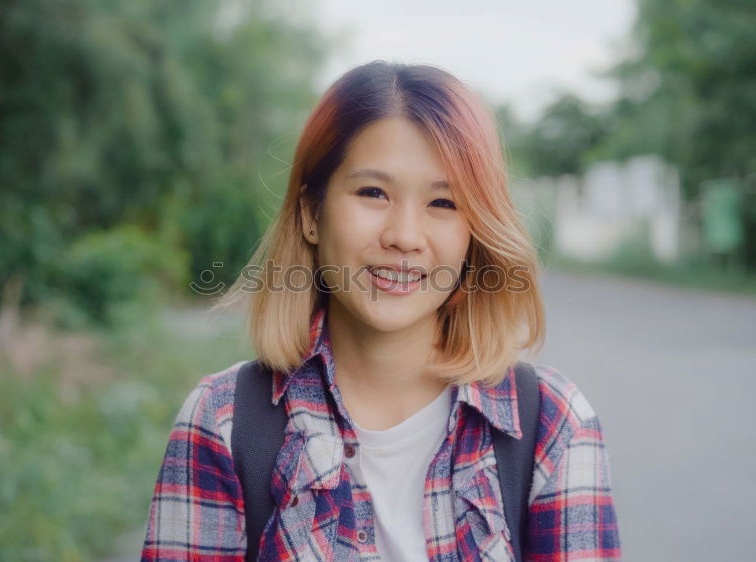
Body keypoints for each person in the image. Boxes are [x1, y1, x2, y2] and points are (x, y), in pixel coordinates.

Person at [140, 60, 620, 561]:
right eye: (373, 192)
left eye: (444, 203)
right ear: (310, 214)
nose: (405, 237)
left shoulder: (552, 424)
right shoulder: (223, 421)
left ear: (474, 234)